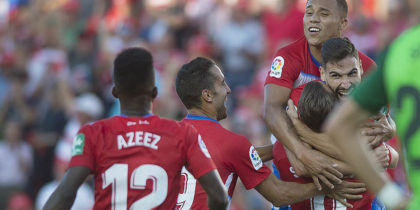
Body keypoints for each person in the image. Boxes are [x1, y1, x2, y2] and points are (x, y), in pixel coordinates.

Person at [43, 47, 228, 210]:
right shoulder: (183, 133)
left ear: (115, 92)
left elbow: (65, 195)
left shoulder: (92, 133)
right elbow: (219, 197)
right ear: (154, 92)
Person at [175, 57, 366, 209]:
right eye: (222, 84)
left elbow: (235, 156)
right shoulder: (230, 143)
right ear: (207, 95)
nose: (229, 89)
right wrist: (327, 188)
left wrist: (289, 141)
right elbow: (279, 195)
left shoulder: (169, 137)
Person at [263, 0, 377, 189]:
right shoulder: (288, 56)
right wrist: (301, 152)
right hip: (296, 166)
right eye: (309, 13)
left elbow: (376, 131)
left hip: (349, 179)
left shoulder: (367, 68)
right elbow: (271, 110)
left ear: (342, 24)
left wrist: (390, 128)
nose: (313, 20)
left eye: (323, 14)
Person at [324, 13, 420, 210]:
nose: (346, 83)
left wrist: (390, 153)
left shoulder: (400, 49)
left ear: (360, 67)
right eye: (336, 75)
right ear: (322, 74)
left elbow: (395, 153)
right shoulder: (311, 101)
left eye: (352, 73)